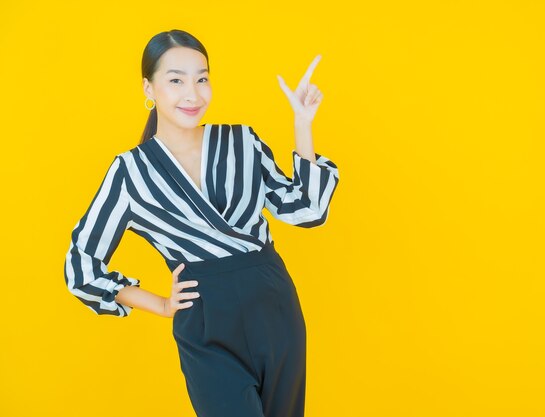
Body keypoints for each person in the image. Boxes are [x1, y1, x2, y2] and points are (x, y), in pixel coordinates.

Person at [63, 29, 339, 417]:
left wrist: (303, 125)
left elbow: (308, 210)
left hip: (274, 304)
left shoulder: (243, 141)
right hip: (206, 319)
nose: (192, 94)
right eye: (175, 80)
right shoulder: (131, 172)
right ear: (149, 86)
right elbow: (82, 267)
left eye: (202, 78)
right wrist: (160, 304)